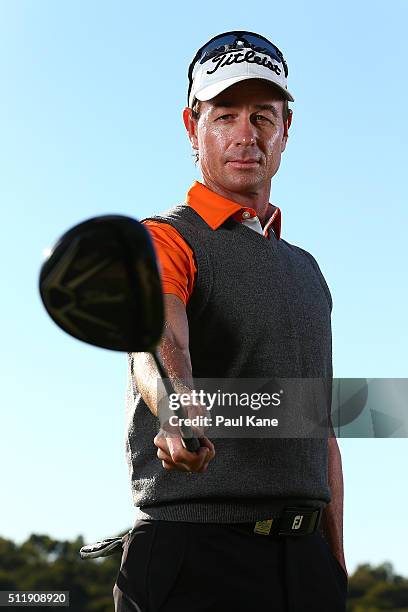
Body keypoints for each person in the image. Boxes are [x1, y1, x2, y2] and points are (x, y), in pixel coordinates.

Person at [113, 30, 348, 612]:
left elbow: (321, 430)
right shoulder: (165, 239)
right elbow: (157, 337)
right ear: (193, 128)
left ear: (286, 131)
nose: (246, 135)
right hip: (193, 558)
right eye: (225, 115)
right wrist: (179, 407)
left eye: (263, 117)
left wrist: (335, 562)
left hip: (305, 567)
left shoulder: (308, 271)